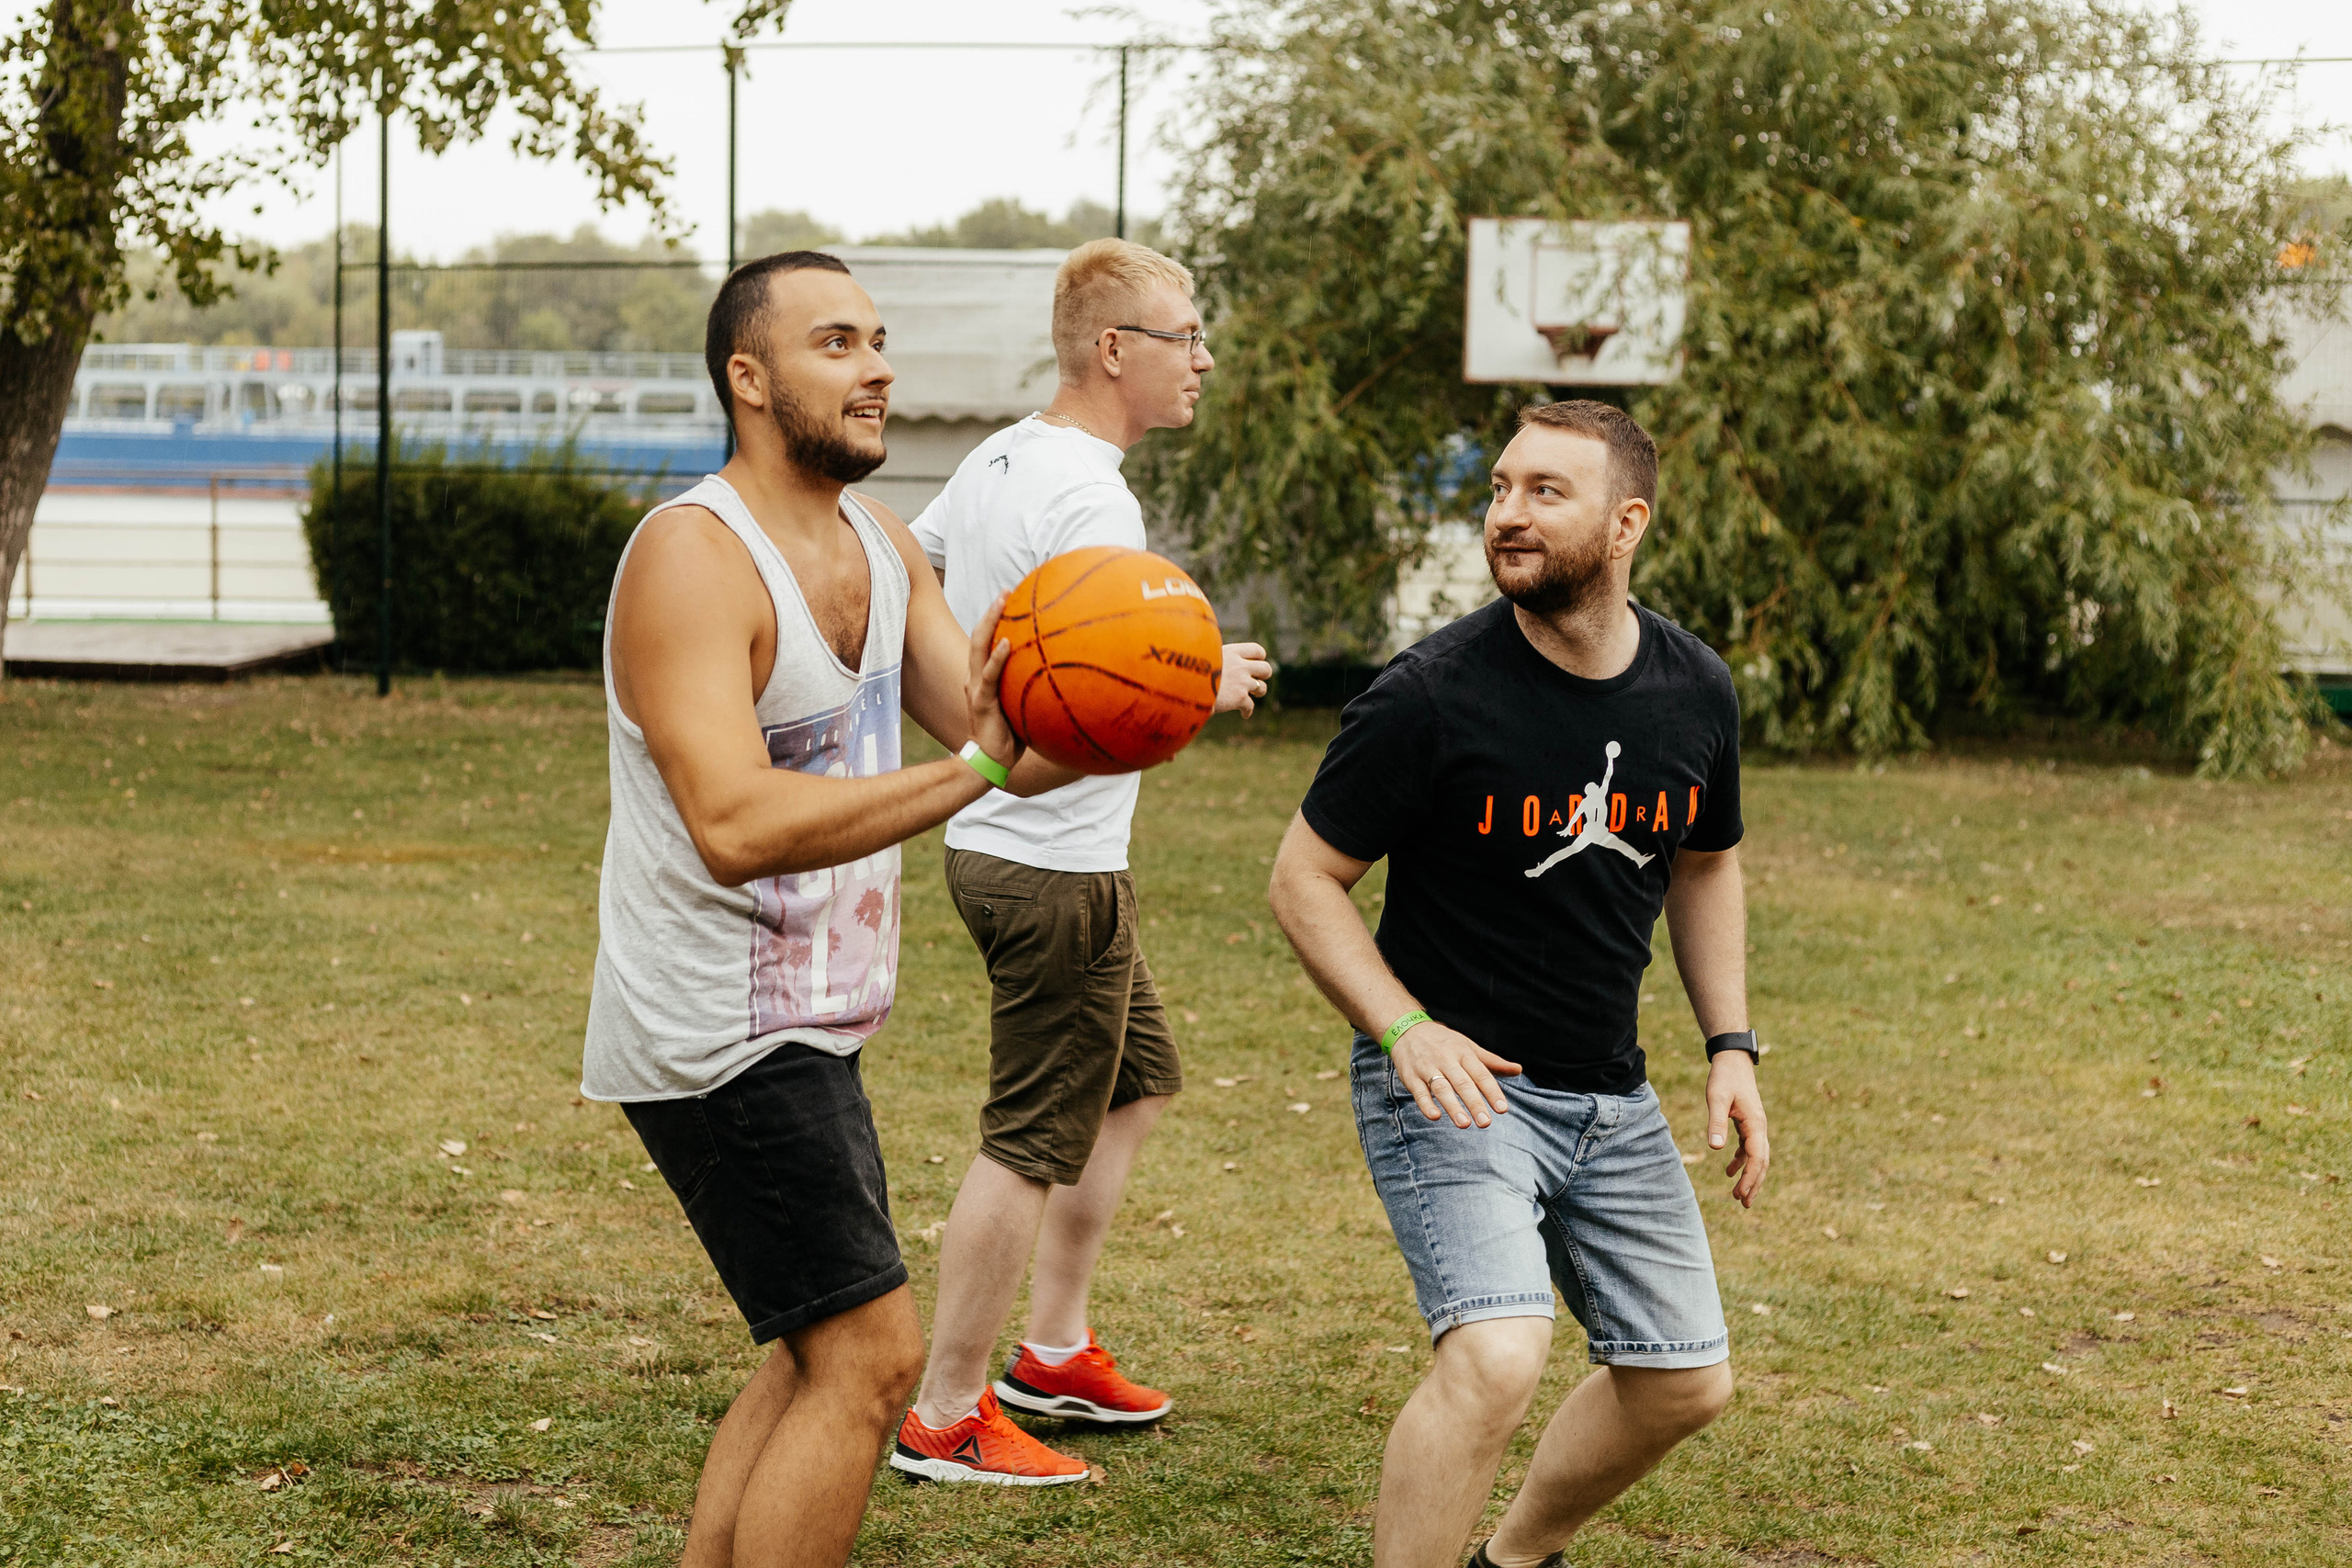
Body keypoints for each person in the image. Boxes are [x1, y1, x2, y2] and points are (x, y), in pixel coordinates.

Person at [581, 250, 1056, 1568]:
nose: (878, 367)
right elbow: (733, 824)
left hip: (818, 1018)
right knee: (870, 1357)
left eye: (878, 340)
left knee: (814, 1346)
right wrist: (978, 770)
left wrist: (1139, 686)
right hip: (716, 1027)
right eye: (837, 343)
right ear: (750, 377)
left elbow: (1002, 738)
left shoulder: (881, 546)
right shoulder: (693, 556)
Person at [1268, 400, 1770, 1568]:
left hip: (1610, 1094)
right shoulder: (1430, 694)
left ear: (1626, 523)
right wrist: (1404, 1030)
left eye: (1546, 491)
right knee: (1496, 1356)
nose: (1507, 513)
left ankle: (1514, 1556)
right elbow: (1303, 879)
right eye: (1500, 488)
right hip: (1459, 1088)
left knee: (1684, 1382)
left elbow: (1704, 862)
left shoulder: (1694, 688)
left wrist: (1731, 1047)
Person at [891, 238, 1274, 1485]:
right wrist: (1186, 690)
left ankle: (1052, 1350)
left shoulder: (1003, 454)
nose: (1202, 359)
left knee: (1136, 1082)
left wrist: (972, 705)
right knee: (1028, 1138)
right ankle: (947, 1410)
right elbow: (1095, 709)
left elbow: (910, 567)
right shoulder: (1095, 503)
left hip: (1012, 856)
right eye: (1184, 336)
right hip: (1051, 869)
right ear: (1115, 349)